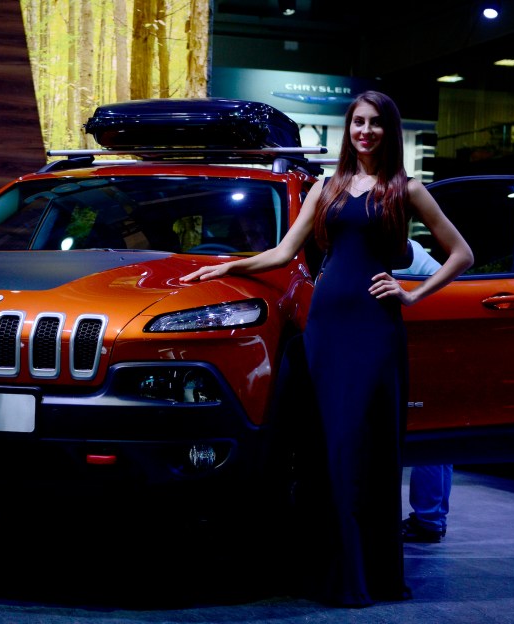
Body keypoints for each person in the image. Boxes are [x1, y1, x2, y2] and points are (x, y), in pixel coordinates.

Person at [181, 91, 473, 607]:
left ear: (389, 129)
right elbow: (283, 251)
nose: (366, 131)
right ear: (349, 128)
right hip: (326, 328)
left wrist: (412, 293)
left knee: (362, 447)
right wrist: (227, 267)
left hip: (374, 330)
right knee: (322, 448)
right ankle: (325, 569)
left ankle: (363, 575)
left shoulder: (406, 189)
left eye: (376, 123)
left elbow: (462, 254)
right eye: (358, 122)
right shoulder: (326, 186)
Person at [396, 240, 453, 544]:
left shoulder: (404, 249)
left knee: (429, 434)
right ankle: (431, 518)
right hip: (432, 344)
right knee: (435, 434)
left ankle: (429, 518)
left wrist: (410, 296)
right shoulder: (407, 248)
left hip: (420, 347)